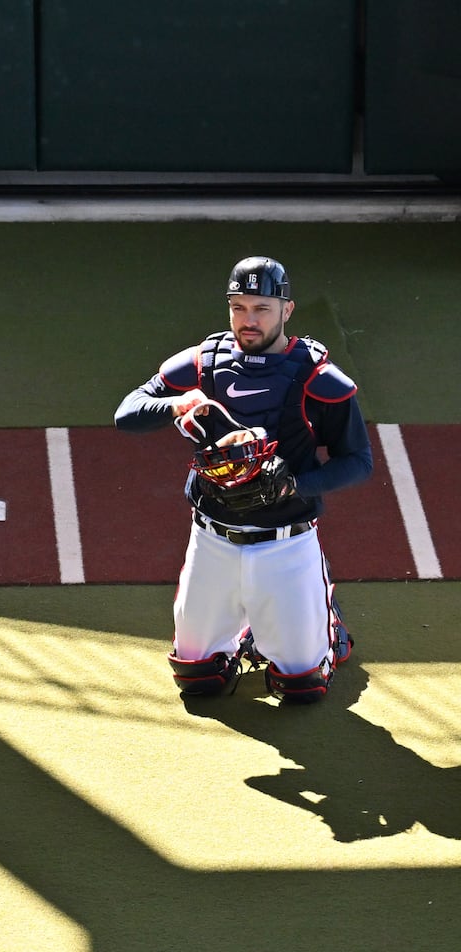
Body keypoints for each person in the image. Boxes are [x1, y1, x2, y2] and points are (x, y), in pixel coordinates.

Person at [114, 255, 374, 702]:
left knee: (301, 686)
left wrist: (295, 485)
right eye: (239, 307)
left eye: (261, 308)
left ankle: (326, 625)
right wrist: (174, 405)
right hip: (213, 536)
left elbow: (358, 461)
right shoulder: (206, 361)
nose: (248, 320)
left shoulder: (317, 378)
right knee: (197, 678)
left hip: (286, 541)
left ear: (286, 310)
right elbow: (126, 414)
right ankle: (248, 626)